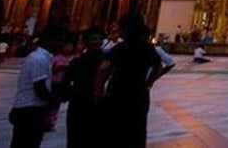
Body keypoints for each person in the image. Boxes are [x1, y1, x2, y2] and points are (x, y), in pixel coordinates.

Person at [97, 12, 166, 147]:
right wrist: (149, 83)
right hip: (139, 93)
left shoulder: (119, 48)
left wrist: (97, 94)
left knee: (115, 130)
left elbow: (102, 70)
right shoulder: (147, 48)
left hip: (117, 92)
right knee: (137, 129)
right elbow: (159, 67)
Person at [8, 25, 64, 148]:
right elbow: (40, 88)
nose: (62, 45)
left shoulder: (43, 57)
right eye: (60, 41)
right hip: (29, 110)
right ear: (51, 40)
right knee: (26, 143)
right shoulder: (39, 59)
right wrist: (52, 103)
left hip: (30, 109)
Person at [65, 29, 105, 148]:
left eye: (99, 39)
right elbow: (66, 82)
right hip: (80, 104)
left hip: (98, 104)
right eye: (94, 39)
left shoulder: (106, 60)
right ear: (86, 42)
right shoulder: (77, 62)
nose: (98, 42)